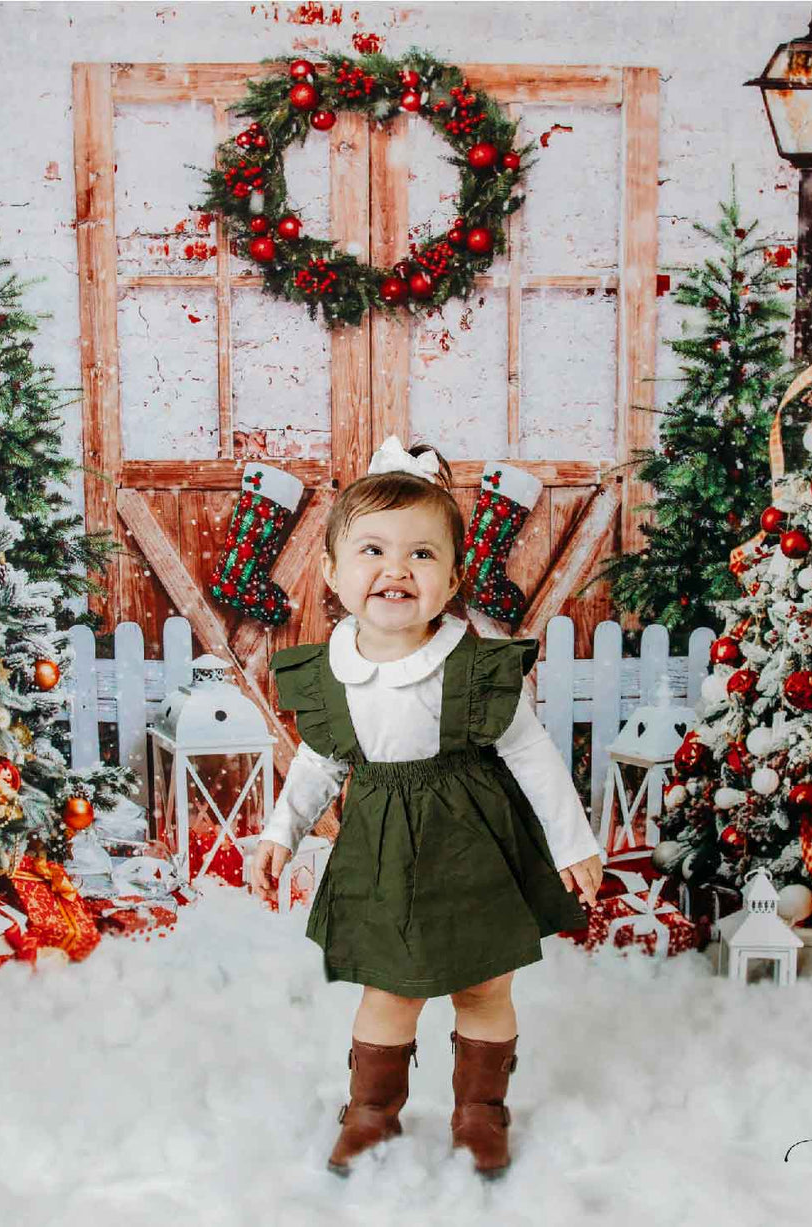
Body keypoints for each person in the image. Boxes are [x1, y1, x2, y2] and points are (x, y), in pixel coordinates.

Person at [248, 436, 604, 1180]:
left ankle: (480, 1109)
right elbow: (322, 757)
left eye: (421, 555)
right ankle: (372, 1110)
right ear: (332, 573)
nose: (395, 570)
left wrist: (573, 844)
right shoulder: (332, 673)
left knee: (483, 982)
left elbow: (532, 755)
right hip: (382, 849)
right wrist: (281, 831)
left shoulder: (473, 668)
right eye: (372, 550)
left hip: (474, 841)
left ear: (450, 579)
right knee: (391, 986)